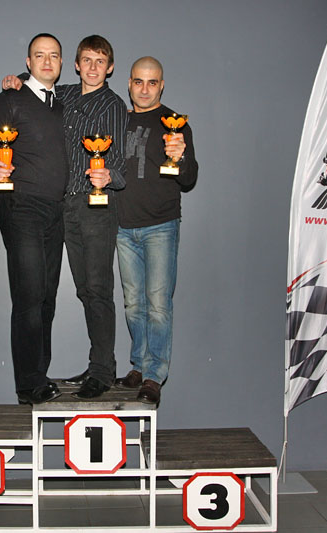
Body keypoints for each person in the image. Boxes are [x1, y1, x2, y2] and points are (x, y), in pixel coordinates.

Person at [2, 35, 127, 399]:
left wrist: (109, 177)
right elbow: (34, 88)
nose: (92, 67)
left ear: (110, 67)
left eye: (99, 61)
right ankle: (98, 363)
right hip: (62, 207)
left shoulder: (114, 105)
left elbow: (119, 164)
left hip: (95, 206)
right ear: (75, 65)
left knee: (98, 289)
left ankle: (103, 372)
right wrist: (16, 81)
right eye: (86, 60)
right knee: (82, 290)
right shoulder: (64, 96)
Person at [0, 33, 68, 405]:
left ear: (61, 63)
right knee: (29, 296)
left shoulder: (62, 105)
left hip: (56, 211)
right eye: (39, 55)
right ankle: (29, 384)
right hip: (22, 207)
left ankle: (39, 376)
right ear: (28, 62)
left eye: (54, 55)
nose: (47, 62)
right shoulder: (10, 98)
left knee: (47, 298)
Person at [114, 56, 198, 406]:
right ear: (129, 83)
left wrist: (181, 157)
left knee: (158, 304)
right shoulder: (117, 119)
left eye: (152, 83)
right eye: (138, 82)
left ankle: (153, 374)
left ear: (161, 85)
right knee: (133, 304)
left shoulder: (175, 124)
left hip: (161, 226)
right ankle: (138, 364)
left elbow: (189, 179)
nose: (145, 89)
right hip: (122, 227)